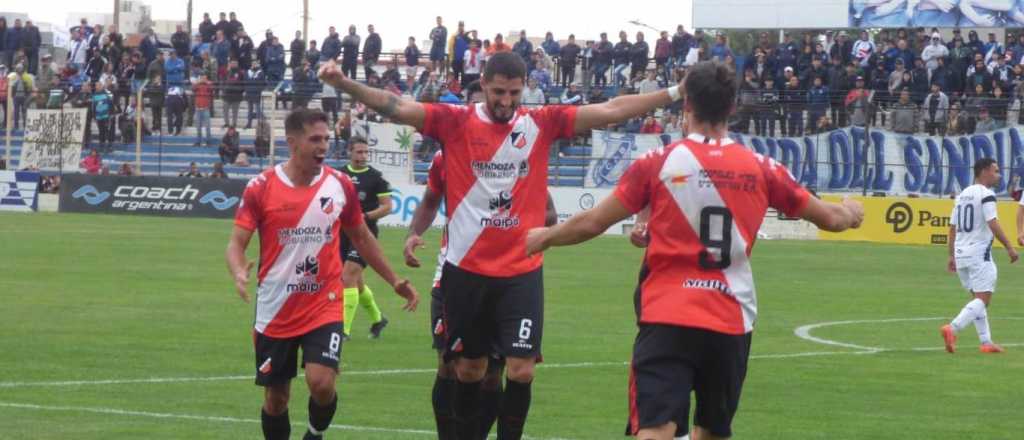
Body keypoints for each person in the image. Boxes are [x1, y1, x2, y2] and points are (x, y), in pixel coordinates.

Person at [320, 48, 683, 439]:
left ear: (524, 88)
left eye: (513, 93)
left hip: (521, 272)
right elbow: (396, 106)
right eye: (497, 92)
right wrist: (343, 83)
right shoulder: (454, 121)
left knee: (521, 370)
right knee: (469, 370)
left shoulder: (542, 124)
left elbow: (612, 109)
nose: (506, 102)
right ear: (483, 87)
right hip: (466, 272)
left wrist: (676, 92)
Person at [523, 61, 864, 440]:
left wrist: (545, 237)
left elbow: (593, 222)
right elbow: (830, 220)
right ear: (732, 107)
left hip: (668, 314)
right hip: (730, 318)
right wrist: (851, 211)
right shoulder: (763, 168)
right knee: (712, 430)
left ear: (686, 105)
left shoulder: (659, 162)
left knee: (656, 429)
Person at [226, 109, 418, 440]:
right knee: (276, 399)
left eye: (326, 139)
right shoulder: (261, 187)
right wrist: (238, 270)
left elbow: (362, 237)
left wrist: (394, 280)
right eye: (315, 139)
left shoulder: (338, 184)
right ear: (292, 142)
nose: (323, 146)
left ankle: (314, 434)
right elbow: (235, 244)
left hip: (324, 302)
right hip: (276, 307)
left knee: (322, 382)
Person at [942, 158, 1018, 356]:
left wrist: (951, 256)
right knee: (983, 299)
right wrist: (1010, 247)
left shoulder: (962, 195)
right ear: (984, 171)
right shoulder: (986, 194)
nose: (999, 175)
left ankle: (986, 341)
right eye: (996, 171)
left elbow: (952, 228)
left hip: (961, 255)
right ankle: (953, 328)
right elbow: (992, 222)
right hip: (978, 255)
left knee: (977, 299)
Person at [336, 136, 394, 340]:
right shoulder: (339, 175)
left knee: (348, 276)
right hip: (341, 234)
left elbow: (387, 206)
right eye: (358, 152)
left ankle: (343, 330)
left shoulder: (375, 177)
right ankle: (378, 320)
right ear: (349, 152)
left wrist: (366, 216)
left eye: (365, 152)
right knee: (356, 283)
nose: (362, 156)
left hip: (364, 235)